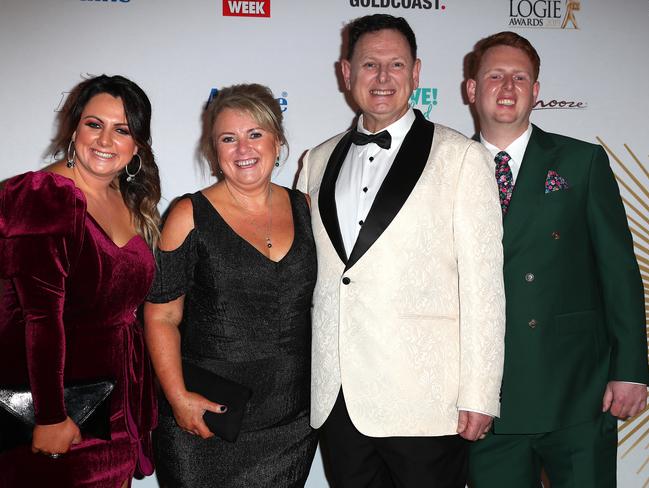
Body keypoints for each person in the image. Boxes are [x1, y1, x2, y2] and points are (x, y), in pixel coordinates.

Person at [297, 14, 505, 487]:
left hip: (427, 403)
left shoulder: (462, 158)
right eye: (370, 64)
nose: (383, 77)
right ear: (345, 73)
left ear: (416, 73)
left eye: (396, 64)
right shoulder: (316, 160)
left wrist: (480, 393)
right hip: (340, 400)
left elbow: (485, 287)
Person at [465, 31, 649, 488]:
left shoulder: (580, 162)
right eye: (495, 76)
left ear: (536, 92)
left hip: (577, 391)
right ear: (471, 89)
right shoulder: (447, 166)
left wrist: (630, 370)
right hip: (487, 398)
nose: (507, 88)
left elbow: (619, 271)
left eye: (520, 77)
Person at [144, 83, 318, 487]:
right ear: (214, 150)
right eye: (229, 138)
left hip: (290, 419)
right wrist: (177, 398)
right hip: (206, 414)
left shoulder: (305, 208)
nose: (244, 148)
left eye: (255, 134)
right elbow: (162, 315)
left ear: (278, 141)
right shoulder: (188, 214)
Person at [0, 74, 161, 487]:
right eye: (95, 124)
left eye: (122, 130)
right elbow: (39, 317)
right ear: (74, 129)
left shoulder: (125, 199)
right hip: (60, 413)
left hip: (116, 408)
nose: (106, 140)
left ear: (137, 144)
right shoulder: (45, 196)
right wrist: (51, 415)